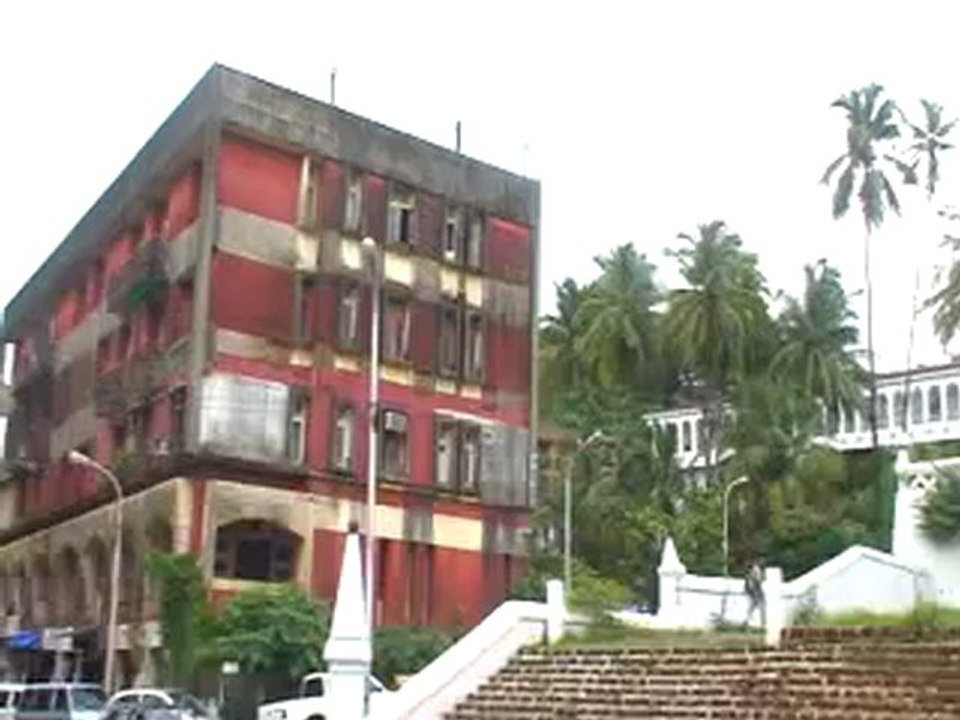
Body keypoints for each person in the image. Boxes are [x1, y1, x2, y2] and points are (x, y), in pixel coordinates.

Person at [744, 561, 765, 628]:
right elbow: (754, 583)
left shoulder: (752, 575)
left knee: (755, 606)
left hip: (755, 592)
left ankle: (748, 620)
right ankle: (761, 622)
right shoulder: (751, 576)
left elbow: (759, 580)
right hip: (755, 592)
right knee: (758, 606)